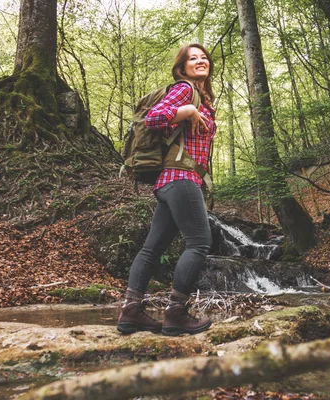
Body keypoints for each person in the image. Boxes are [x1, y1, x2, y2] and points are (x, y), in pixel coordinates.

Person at [116, 43, 216, 336]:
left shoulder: (204, 98)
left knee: (152, 248)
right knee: (199, 243)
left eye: (203, 57)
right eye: (192, 58)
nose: (200, 61)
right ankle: (176, 313)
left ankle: (131, 311)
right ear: (182, 67)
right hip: (180, 178)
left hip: (173, 182)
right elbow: (154, 118)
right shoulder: (185, 91)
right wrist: (186, 109)